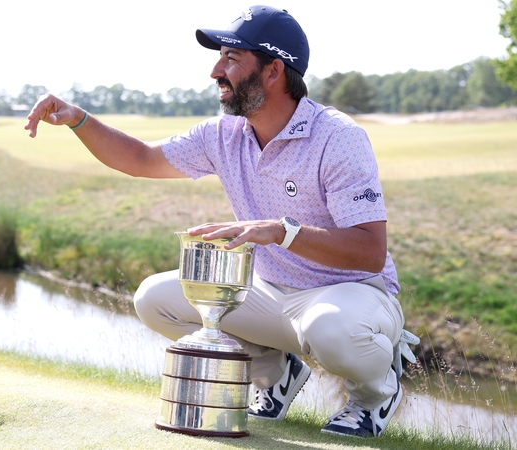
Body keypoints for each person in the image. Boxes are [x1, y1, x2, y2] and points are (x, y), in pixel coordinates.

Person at [24, 5, 418, 438]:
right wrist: (79, 119)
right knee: (155, 298)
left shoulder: (338, 137)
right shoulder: (222, 134)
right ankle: (275, 376)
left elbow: (368, 251)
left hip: (351, 293)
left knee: (332, 329)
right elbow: (139, 159)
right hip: (270, 294)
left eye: (231, 58)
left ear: (273, 71)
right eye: (220, 58)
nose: (216, 70)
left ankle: (375, 395)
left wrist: (282, 231)